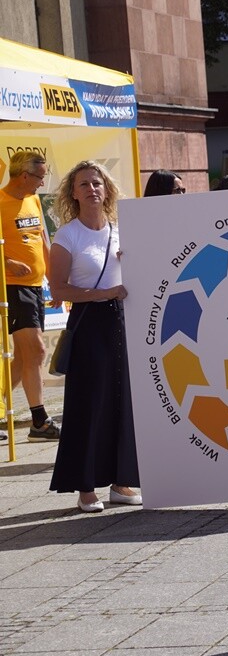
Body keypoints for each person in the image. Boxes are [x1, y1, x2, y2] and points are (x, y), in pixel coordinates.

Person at [48, 161, 140, 513]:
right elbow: (59, 289)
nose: (92, 189)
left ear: (107, 189)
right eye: (84, 184)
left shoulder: (121, 230)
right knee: (89, 404)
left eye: (97, 183)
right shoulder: (67, 235)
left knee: (123, 401)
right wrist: (104, 293)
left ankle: (121, 481)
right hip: (88, 324)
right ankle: (85, 487)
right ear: (73, 192)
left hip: (122, 320)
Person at [0, 151, 61, 443]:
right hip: (12, 286)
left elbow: (41, 242)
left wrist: (54, 281)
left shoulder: (33, 200)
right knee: (36, 350)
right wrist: (8, 262)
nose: (42, 183)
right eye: (40, 177)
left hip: (36, 286)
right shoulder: (1, 202)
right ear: (24, 175)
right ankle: (39, 420)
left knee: (24, 357)